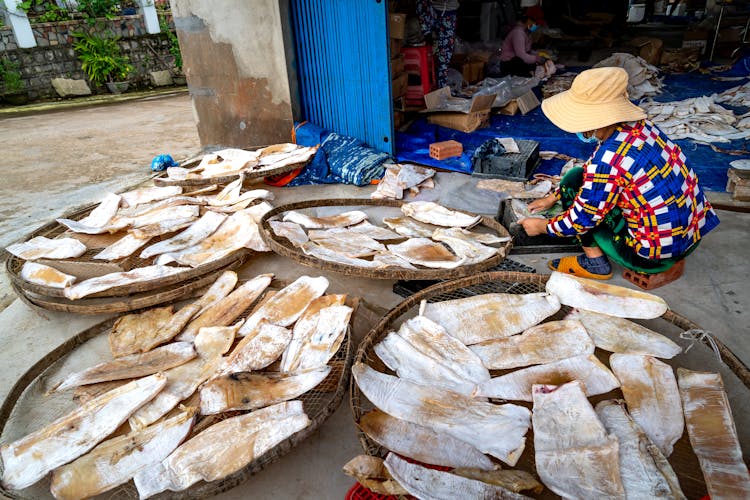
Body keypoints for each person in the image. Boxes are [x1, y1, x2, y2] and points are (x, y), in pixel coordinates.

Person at [519, 67, 719, 280]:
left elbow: (581, 219)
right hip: (690, 236)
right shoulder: (642, 128)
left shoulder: (608, 161)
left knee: (582, 208)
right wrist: (553, 197)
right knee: (575, 178)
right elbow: (593, 168)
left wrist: (541, 226)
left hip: (653, 256)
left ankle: (594, 263)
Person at [416, 0, 460, 89]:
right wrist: (426, 31)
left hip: (448, 14)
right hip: (431, 11)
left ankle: (441, 89)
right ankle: (426, 32)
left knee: (444, 59)